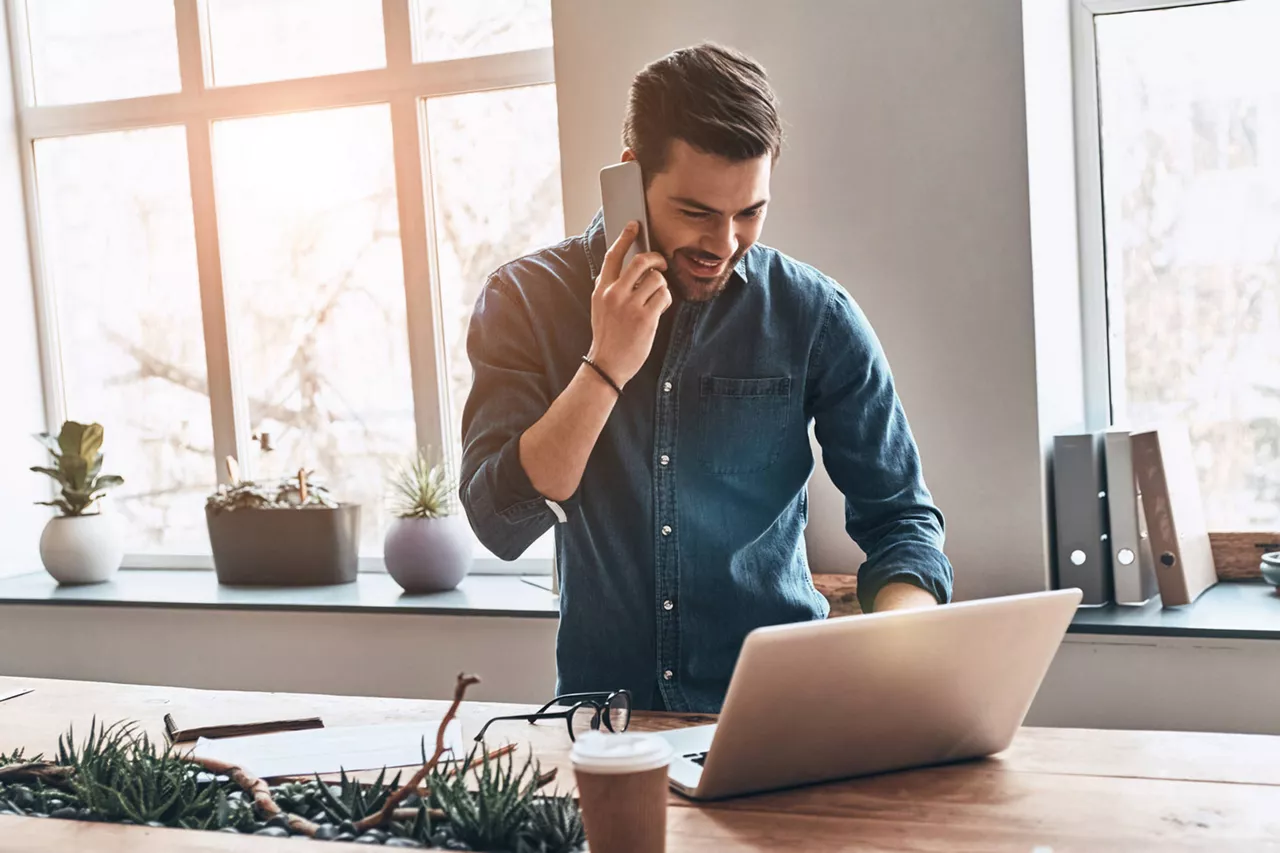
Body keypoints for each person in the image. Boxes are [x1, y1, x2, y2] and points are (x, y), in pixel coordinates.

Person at [460, 42, 953, 714]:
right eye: (697, 212)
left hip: (778, 716)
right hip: (606, 727)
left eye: (749, 212)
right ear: (631, 176)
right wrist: (607, 365)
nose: (723, 244)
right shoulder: (525, 300)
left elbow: (902, 522)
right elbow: (500, 522)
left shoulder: (816, 316)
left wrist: (898, 646)